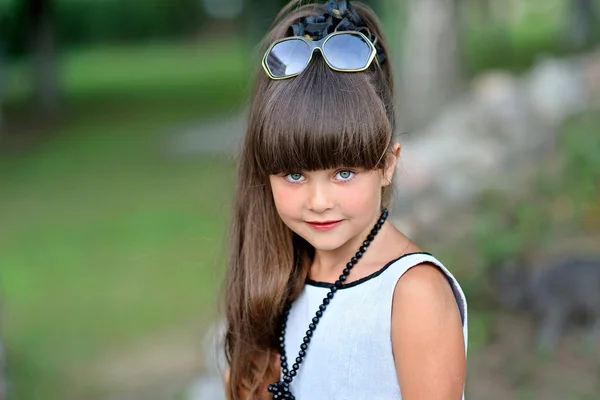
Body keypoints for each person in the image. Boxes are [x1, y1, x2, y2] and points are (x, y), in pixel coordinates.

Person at [223, 1, 468, 399]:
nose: (319, 201)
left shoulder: (412, 294)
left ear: (388, 164)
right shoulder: (276, 281)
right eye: (294, 175)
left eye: (344, 173)